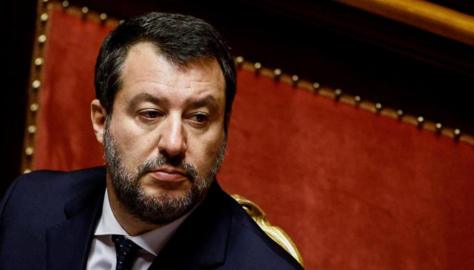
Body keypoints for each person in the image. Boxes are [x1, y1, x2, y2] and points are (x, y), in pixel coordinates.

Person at [0, 12, 302, 270]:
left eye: (198, 118)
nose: (174, 144)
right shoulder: (28, 205)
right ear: (101, 121)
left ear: (224, 130)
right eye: (150, 113)